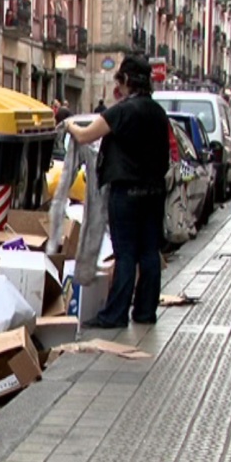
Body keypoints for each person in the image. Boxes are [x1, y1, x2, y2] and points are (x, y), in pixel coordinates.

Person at [64, 53, 170, 328]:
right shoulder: (158, 113)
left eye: (119, 81)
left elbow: (85, 135)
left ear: (125, 80)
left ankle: (115, 315)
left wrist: (69, 123)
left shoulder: (123, 111)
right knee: (149, 252)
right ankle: (145, 312)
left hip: (127, 192)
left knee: (126, 254)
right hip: (154, 191)